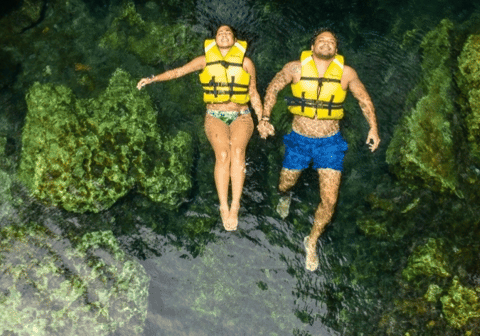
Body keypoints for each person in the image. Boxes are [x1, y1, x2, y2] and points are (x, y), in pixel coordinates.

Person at [257, 29, 380, 271]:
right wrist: (264, 118)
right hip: (299, 140)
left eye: (331, 42)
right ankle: (286, 196)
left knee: (330, 200)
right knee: (284, 185)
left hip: (330, 143)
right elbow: (272, 89)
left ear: (336, 50)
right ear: (312, 47)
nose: (326, 44)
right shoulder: (295, 68)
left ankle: (311, 241)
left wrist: (373, 129)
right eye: (321, 41)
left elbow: (364, 100)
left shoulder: (346, 73)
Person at [137, 25, 264, 231]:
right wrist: (153, 79)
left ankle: (235, 205)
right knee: (223, 155)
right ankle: (223, 205)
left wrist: (263, 118)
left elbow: (253, 93)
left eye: (228, 33)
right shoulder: (203, 60)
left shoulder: (246, 62)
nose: (224, 34)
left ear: (234, 40)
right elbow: (178, 71)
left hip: (242, 115)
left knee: (238, 151)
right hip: (215, 115)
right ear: (214, 39)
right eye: (220, 33)